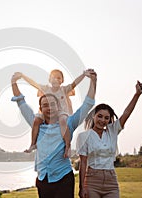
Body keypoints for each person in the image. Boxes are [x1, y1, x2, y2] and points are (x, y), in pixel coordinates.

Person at [11, 69, 97, 198]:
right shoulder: (37, 124)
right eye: (45, 105)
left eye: (52, 104)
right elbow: (21, 103)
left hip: (63, 178)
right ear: (41, 109)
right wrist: (14, 83)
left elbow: (87, 104)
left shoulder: (69, 123)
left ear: (58, 107)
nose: (49, 107)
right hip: (42, 179)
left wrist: (93, 82)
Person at [77, 81, 142, 198]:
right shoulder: (83, 137)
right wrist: (82, 187)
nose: (102, 120)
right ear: (94, 116)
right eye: (100, 116)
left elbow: (126, 113)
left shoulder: (112, 131)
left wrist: (137, 94)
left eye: (106, 118)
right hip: (92, 181)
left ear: (109, 120)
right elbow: (83, 163)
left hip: (111, 181)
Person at [17, 69, 90, 158]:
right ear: (49, 80)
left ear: (62, 80)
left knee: (63, 120)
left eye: (58, 78)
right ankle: (33, 144)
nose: (56, 79)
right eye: (53, 77)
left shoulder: (64, 89)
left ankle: (67, 145)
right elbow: (33, 83)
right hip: (47, 113)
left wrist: (83, 75)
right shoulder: (46, 89)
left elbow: (74, 83)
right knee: (36, 120)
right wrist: (23, 76)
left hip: (60, 112)